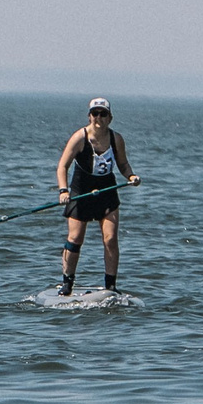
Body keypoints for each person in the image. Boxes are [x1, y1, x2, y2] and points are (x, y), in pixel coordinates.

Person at [55, 97, 140, 296]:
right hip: (82, 189)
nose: (98, 118)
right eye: (95, 113)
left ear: (110, 117)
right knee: (75, 238)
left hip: (106, 190)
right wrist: (63, 190)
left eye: (103, 114)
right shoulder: (79, 137)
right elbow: (62, 166)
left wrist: (132, 176)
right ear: (89, 116)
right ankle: (67, 282)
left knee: (110, 239)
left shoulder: (116, 138)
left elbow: (123, 164)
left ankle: (110, 285)